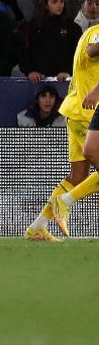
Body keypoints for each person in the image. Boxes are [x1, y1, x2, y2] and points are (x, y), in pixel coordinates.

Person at [32, 22, 99, 240]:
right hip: (87, 113)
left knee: (78, 176)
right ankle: (65, 201)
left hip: (79, 112)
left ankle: (37, 226)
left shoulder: (92, 31)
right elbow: (92, 49)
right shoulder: (96, 34)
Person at [20, 0, 81, 84]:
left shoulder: (72, 27)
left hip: (64, 80)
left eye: (61, 1)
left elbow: (78, 53)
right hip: (38, 80)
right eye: (55, 2)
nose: (59, 5)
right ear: (45, 4)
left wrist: (68, 72)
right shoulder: (32, 27)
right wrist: (30, 71)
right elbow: (23, 52)